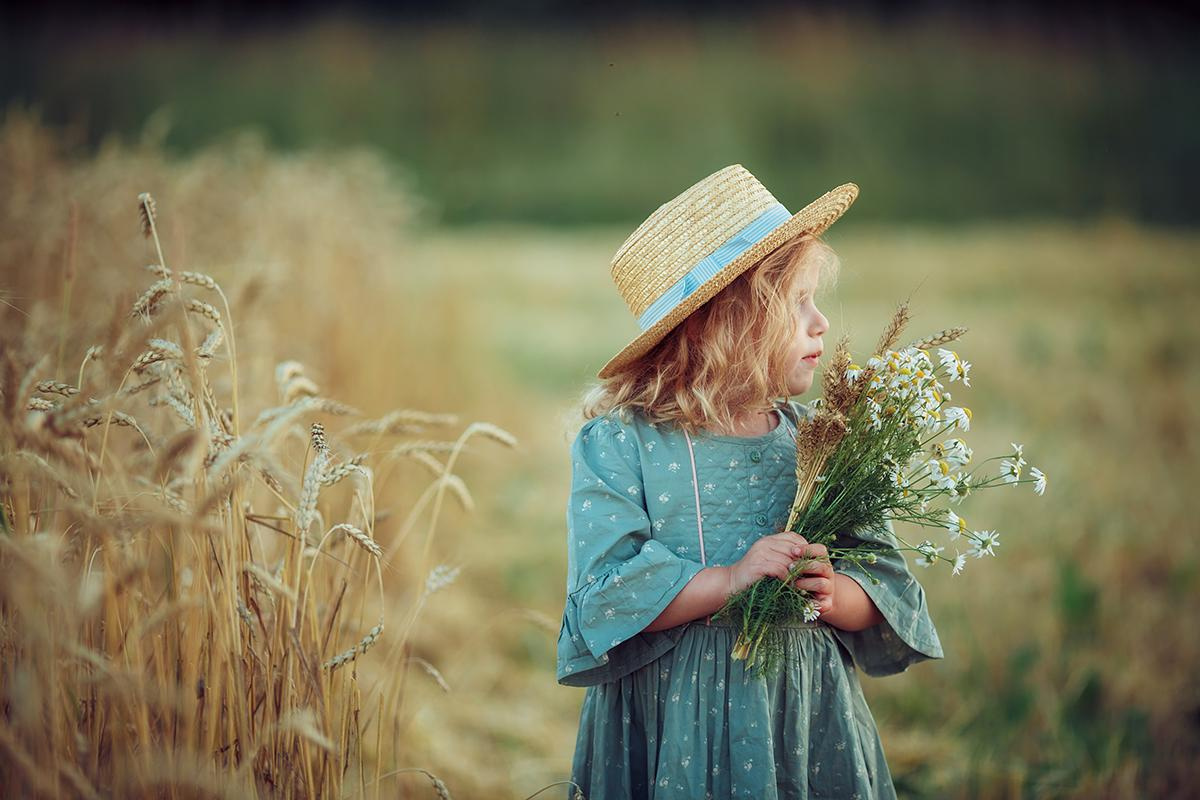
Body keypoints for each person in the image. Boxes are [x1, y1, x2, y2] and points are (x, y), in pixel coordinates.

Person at [556, 164, 944, 799]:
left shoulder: (822, 441)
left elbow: (887, 584)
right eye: (796, 303)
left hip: (798, 717)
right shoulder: (624, 443)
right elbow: (604, 594)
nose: (820, 322)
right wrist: (733, 580)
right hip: (671, 723)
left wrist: (833, 591)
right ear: (724, 324)